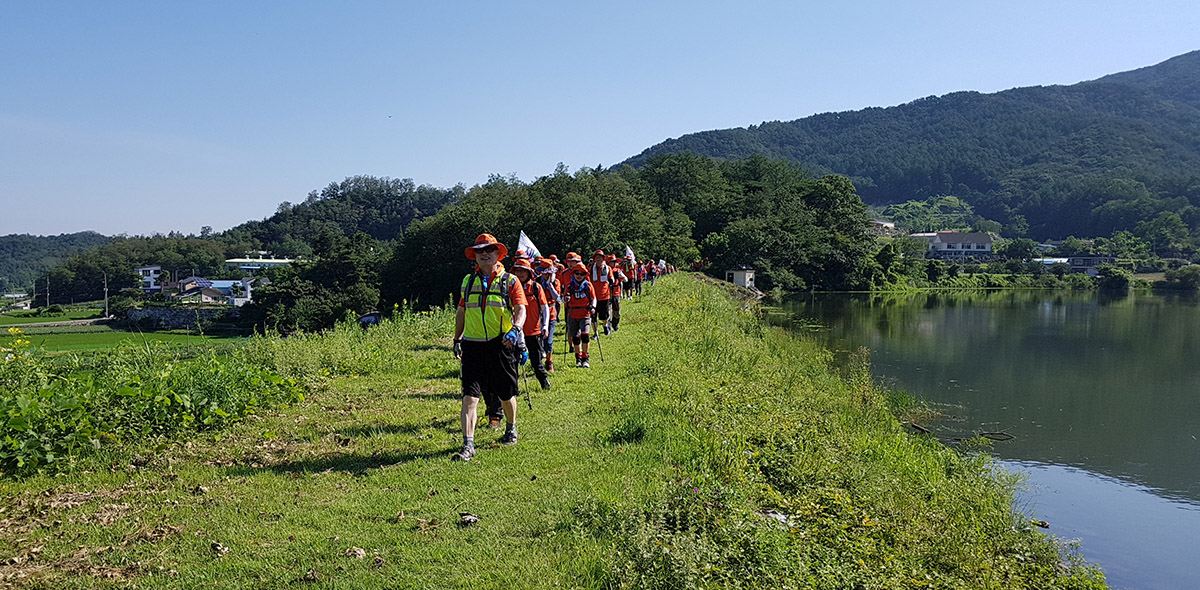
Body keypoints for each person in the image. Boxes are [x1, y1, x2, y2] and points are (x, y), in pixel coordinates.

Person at [452, 234, 527, 462]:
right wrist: (457, 339)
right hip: (473, 346)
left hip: (500, 344)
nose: (484, 254)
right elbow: (462, 312)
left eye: (490, 250)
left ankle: (511, 427)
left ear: (498, 254)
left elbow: (521, 309)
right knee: (470, 397)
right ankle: (468, 446)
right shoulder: (467, 281)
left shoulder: (511, 281)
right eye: (479, 251)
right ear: (474, 256)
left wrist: (516, 329)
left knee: (506, 394)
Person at [512, 258, 552, 390]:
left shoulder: (536, 287)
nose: (520, 273)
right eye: (517, 271)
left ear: (529, 272)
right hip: (515, 332)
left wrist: (545, 326)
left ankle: (544, 381)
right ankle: (514, 388)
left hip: (534, 331)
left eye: (523, 271)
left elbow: (545, 307)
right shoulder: (510, 287)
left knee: (536, 361)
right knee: (513, 362)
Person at [564, 262, 596, 368]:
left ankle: (585, 358)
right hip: (573, 314)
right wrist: (566, 299)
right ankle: (578, 358)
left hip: (585, 313)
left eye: (581, 273)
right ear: (573, 274)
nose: (578, 275)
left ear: (584, 275)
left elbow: (593, 298)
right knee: (576, 337)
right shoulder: (570, 286)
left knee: (585, 335)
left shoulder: (588, 285)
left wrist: (593, 307)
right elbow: (563, 298)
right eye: (576, 273)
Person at [536, 258, 561, 373]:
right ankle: (540, 361)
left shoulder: (556, 282)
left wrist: (550, 285)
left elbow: (557, 298)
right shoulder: (536, 282)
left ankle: (549, 362)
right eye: (545, 272)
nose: (547, 275)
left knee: (549, 340)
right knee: (539, 340)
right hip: (538, 314)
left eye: (549, 273)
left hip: (551, 313)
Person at [589, 250, 613, 335]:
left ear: (603, 259)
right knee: (593, 316)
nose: (598, 259)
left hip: (604, 296)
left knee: (604, 316)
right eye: (596, 258)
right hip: (593, 296)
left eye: (600, 257)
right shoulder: (591, 268)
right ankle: (596, 333)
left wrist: (612, 280)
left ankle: (605, 325)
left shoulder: (607, 268)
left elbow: (611, 278)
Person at [607, 255, 627, 332]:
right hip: (607, 293)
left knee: (617, 311)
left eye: (615, 262)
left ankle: (615, 324)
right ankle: (608, 326)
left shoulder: (618, 270)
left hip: (616, 292)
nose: (614, 263)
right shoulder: (605, 270)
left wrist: (620, 277)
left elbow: (626, 279)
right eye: (613, 262)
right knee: (608, 311)